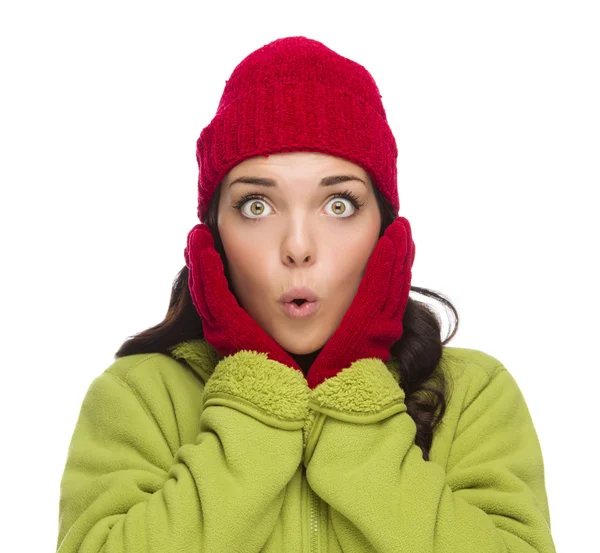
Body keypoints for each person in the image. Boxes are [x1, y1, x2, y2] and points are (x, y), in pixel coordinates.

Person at [55, 36, 556, 552]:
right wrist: (257, 400)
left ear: (385, 234)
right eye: (256, 206)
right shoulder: (137, 397)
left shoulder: (473, 394)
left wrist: (354, 409)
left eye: (339, 205)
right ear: (212, 237)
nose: (297, 247)